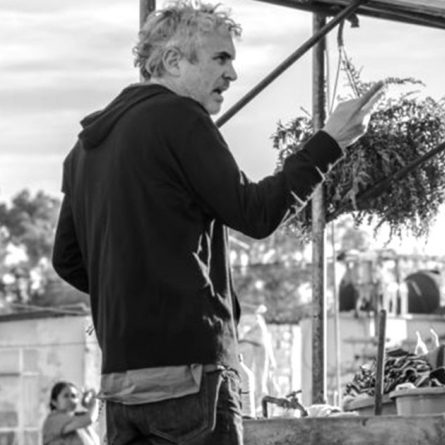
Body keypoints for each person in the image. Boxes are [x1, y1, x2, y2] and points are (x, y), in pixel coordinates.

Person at [51, 1, 384, 444]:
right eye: (220, 58)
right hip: (190, 376)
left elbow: (67, 260)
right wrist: (329, 141)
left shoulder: (85, 148)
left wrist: (135, 298)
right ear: (173, 61)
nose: (232, 74)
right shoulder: (179, 117)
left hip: (121, 383)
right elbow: (255, 213)